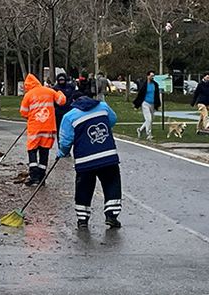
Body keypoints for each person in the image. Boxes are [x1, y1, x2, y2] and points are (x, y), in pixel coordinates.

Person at [57, 95, 122, 229]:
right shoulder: (103, 107)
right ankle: (111, 215)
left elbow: (65, 140)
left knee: (84, 188)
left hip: (84, 160)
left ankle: (82, 220)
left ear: (74, 103)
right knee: (112, 183)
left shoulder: (69, 117)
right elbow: (113, 120)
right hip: (108, 156)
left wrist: (62, 152)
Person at [20, 74, 67, 186]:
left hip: (35, 127)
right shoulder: (49, 91)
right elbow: (62, 101)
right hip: (48, 127)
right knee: (44, 151)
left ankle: (34, 177)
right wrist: (59, 92)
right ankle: (41, 177)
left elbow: (23, 112)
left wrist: (31, 116)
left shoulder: (28, 95)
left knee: (32, 150)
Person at [133, 70, 161, 141]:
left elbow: (157, 95)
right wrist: (136, 105)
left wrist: (158, 104)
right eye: (151, 76)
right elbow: (140, 95)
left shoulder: (155, 85)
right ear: (148, 76)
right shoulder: (144, 85)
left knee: (150, 120)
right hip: (145, 103)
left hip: (153, 104)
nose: (152, 77)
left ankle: (140, 129)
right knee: (148, 119)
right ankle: (149, 134)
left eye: (153, 76)